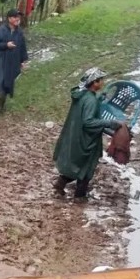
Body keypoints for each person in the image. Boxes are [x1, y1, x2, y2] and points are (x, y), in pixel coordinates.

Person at [53, 67, 112, 203]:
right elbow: (89, 122)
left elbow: (87, 106)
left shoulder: (83, 95)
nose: (102, 82)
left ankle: (60, 184)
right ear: (94, 83)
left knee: (76, 164)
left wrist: (99, 98)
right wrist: (109, 123)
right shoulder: (90, 100)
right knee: (86, 168)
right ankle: (80, 197)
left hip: (75, 134)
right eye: (100, 80)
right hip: (86, 139)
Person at [0, 9, 28, 114]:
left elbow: (22, 47)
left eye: (19, 17)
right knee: (1, 81)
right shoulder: (0, 30)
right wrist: (5, 45)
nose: (18, 19)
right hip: (0, 59)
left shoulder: (19, 32)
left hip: (12, 60)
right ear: (9, 19)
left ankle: (0, 104)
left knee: (8, 81)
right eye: (15, 17)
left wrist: (22, 61)